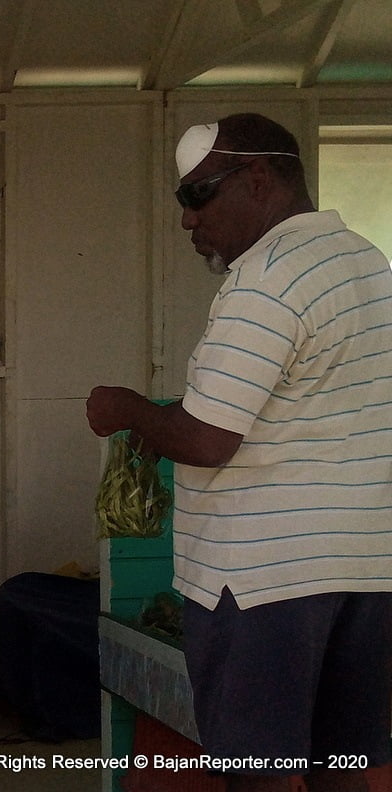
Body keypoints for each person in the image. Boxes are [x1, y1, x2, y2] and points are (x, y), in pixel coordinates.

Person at [86, 114, 392, 792]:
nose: (190, 221)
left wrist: (125, 409)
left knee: (261, 775)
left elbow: (206, 440)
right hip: (366, 571)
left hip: (262, 579)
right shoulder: (368, 263)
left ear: (258, 179)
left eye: (199, 196)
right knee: (346, 767)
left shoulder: (267, 279)